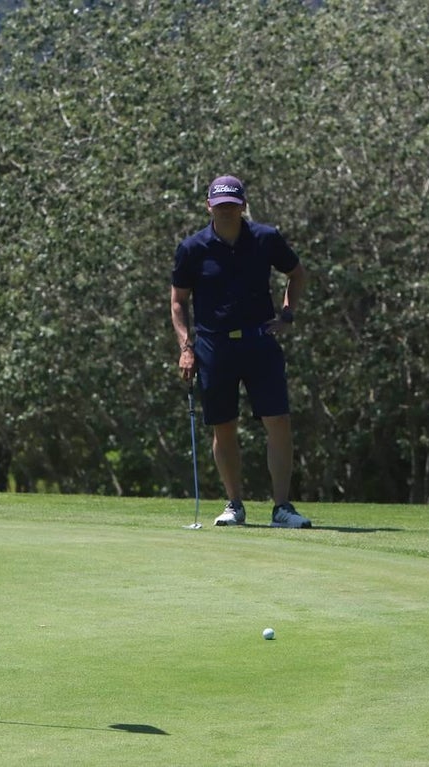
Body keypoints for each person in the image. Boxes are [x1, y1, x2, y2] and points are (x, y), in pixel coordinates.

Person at [170, 175, 311, 528]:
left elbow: (296, 273)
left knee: (277, 420)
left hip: (259, 339)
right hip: (213, 344)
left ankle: (282, 508)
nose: (227, 211)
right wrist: (186, 347)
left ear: (243, 205)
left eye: (233, 204)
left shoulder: (265, 238)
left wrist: (288, 314)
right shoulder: (193, 248)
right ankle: (234, 504)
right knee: (224, 426)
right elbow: (178, 302)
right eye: (221, 205)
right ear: (209, 207)